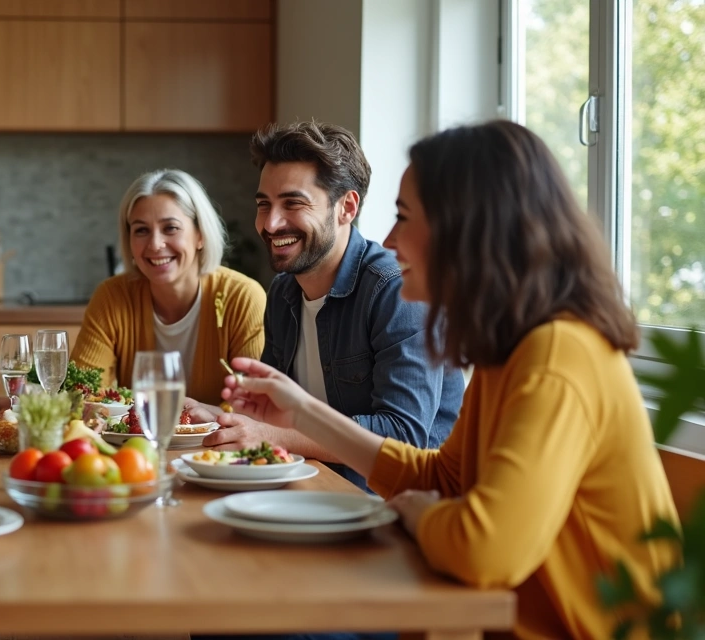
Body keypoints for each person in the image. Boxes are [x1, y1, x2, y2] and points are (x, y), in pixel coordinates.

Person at [221, 120, 679, 639]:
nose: (389, 239)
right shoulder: (509, 350)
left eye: (403, 217)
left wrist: (419, 514)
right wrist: (302, 413)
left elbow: (485, 550)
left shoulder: (558, 354)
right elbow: (446, 477)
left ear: (466, 230)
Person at [191, 121, 464, 490]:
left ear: (346, 208)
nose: (270, 223)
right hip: (313, 489)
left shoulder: (395, 290)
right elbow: (273, 414)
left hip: (396, 504)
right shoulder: (283, 292)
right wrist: (214, 418)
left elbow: (404, 436)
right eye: (264, 205)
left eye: (293, 203)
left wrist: (271, 436)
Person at [71, 168, 267, 404]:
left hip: (220, 431)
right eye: (141, 230)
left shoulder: (243, 297)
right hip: (140, 430)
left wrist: (200, 417)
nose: (155, 244)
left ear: (200, 235)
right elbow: (82, 394)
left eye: (170, 228)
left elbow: (253, 403)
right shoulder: (112, 296)